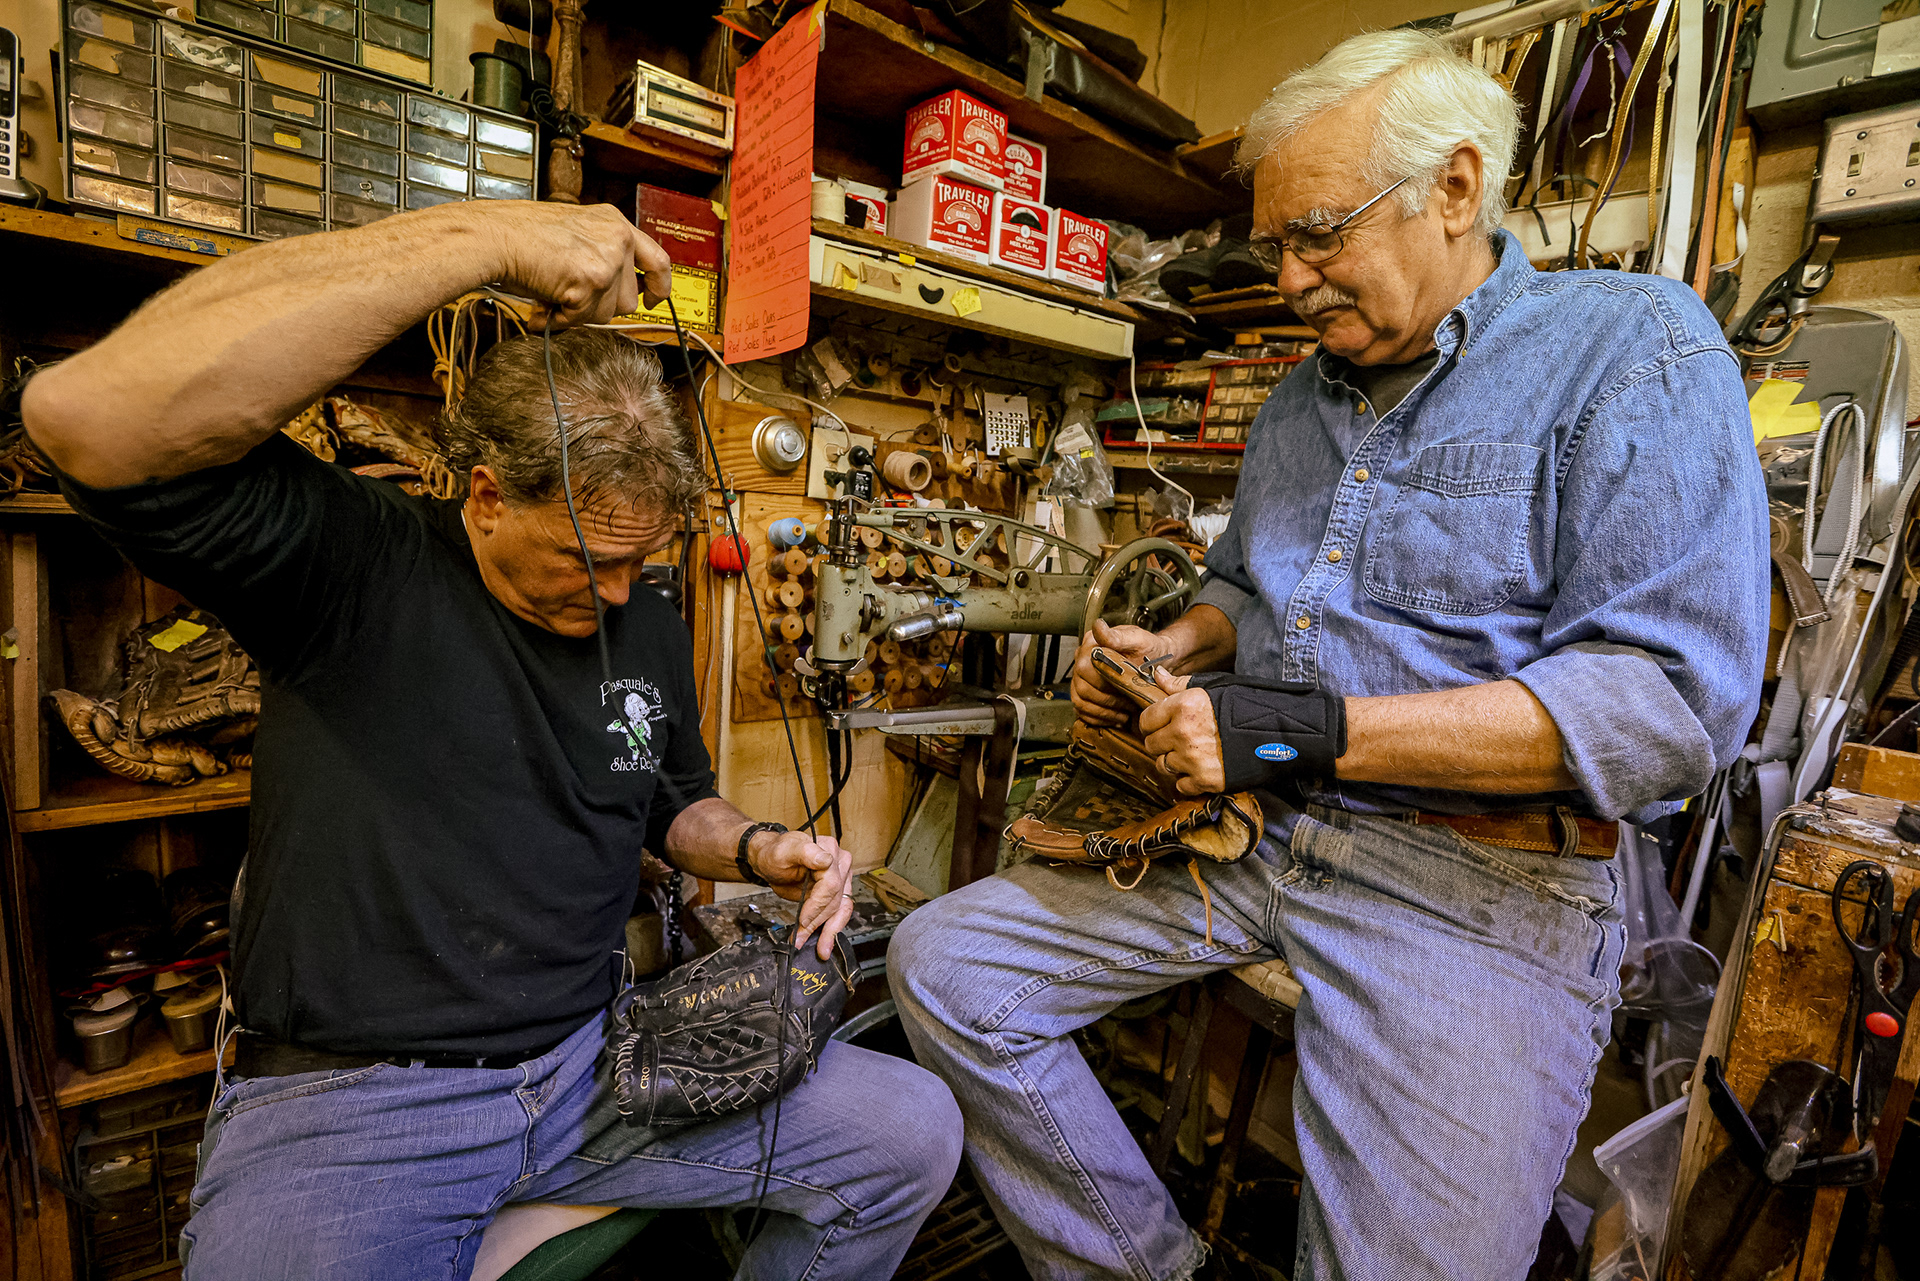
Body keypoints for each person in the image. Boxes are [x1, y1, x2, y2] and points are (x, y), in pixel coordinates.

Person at [890, 28, 1768, 1281]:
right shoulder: (1301, 401)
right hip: (1265, 833)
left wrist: (1307, 729)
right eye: (1276, 248)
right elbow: (1252, 585)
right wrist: (1182, 643)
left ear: (1456, 189)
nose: (1292, 280)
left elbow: (1669, 705)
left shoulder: (1631, 350)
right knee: (948, 969)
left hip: (1478, 896)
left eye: (1320, 236)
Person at [23, 201, 961, 1280]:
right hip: (359, 1105)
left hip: (596, 1067)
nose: (616, 596)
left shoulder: (640, 611)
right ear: (483, 496)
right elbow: (82, 415)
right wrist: (490, 243)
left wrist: (759, 848)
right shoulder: (348, 565)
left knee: (910, 1137)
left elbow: (673, 803)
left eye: (637, 561)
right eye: (582, 560)